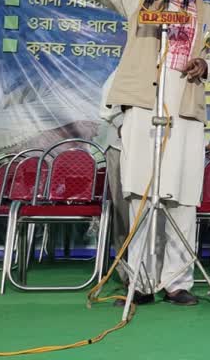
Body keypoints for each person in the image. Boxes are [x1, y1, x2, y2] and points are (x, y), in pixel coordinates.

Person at [28, 0, 210, 306]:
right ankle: (142, 282)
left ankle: (178, 282)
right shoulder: (141, 0)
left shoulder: (209, 12)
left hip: (185, 114)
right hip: (141, 109)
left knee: (182, 198)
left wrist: (205, 65)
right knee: (139, 196)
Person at [98, 70, 131, 285]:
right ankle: (127, 271)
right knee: (123, 212)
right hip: (121, 148)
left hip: (153, 151)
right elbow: (107, 105)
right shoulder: (123, 70)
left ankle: (155, 270)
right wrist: (123, 124)